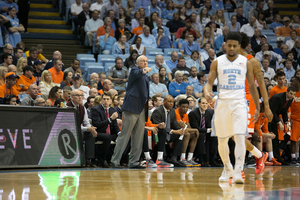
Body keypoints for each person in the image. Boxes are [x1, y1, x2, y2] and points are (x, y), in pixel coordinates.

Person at [203, 32, 260, 184]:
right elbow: (209, 82)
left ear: (239, 46)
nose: (232, 48)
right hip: (222, 103)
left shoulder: (246, 62)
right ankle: (227, 168)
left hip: (240, 103)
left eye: (235, 45)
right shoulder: (217, 61)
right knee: (222, 140)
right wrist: (206, 91)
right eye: (229, 45)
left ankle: (237, 171)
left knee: (240, 137)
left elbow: (253, 88)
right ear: (225, 45)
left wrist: (258, 107)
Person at [110, 55, 152, 168]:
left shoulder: (145, 75)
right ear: (138, 62)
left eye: (147, 61)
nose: (145, 63)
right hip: (132, 107)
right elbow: (137, 73)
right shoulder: (134, 69)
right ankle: (115, 161)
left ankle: (134, 162)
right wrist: (143, 70)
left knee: (138, 137)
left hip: (142, 108)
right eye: (143, 61)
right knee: (125, 135)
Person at [67, 89, 98, 167]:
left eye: (81, 95)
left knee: (90, 134)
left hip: (79, 129)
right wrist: (87, 129)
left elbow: (86, 123)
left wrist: (91, 129)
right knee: (80, 132)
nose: (80, 97)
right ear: (72, 97)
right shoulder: (67, 107)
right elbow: (72, 126)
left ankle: (88, 159)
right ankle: (78, 159)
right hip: (68, 131)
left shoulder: (82, 107)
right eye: (77, 95)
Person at [151, 95, 183, 167]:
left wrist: (181, 130)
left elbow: (174, 124)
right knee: (163, 131)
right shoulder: (157, 111)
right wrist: (173, 131)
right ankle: (161, 158)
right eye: (169, 102)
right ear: (164, 102)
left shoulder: (172, 111)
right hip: (157, 134)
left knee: (181, 134)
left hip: (168, 133)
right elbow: (158, 126)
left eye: (172, 102)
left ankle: (174, 158)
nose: (171, 104)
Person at [91, 92, 120, 168]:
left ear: (111, 101)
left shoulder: (113, 110)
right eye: (104, 99)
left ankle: (119, 160)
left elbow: (115, 125)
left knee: (124, 138)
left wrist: (119, 133)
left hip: (110, 133)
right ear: (101, 100)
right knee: (107, 137)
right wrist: (110, 119)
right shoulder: (95, 109)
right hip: (98, 132)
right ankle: (103, 160)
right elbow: (97, 124)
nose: (106, 101)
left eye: (108, 99)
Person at [269, 86, 297, 165]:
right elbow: (272, 111)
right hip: (268, 117)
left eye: (294, 94)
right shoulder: (278, 98)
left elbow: (284, 112)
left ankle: (277, 158)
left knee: (276, 137)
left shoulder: (290, 100)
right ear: (287, 92)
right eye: (291, 93)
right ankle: (276, 158)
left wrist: (286, 123)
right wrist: (279, 122)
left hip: (274, 117)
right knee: (274, 137)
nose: (292, 95)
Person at [175, 99, 200, 166]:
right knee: (187, 134)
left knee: (194, 135)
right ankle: (182, 158)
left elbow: (188, 126)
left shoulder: (186, 115)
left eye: (186, 107)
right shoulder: (175, 113)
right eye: (183, 107)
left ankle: (190, 158)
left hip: (183, 132)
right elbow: (181, 126)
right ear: (179, 106)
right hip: (174, 132)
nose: (185, 109)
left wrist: (194, 130)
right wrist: (195, 129)